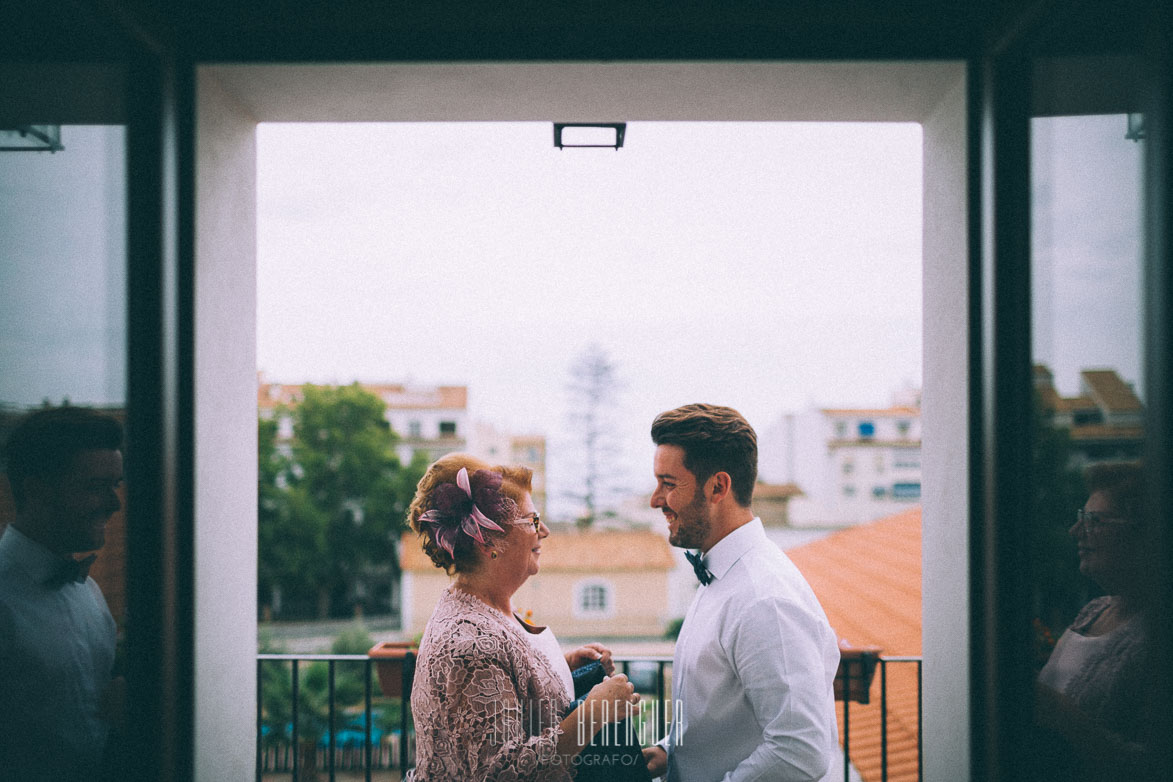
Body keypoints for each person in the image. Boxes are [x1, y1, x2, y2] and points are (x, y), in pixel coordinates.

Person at [405, 453, 648, 781]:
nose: (544, 531)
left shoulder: (488, 610)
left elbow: (508, 689)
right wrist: (594, 713)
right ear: (488, 539)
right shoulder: (470, 642)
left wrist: (561, 667)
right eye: (532, 521)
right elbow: (499, 772)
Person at [641, 403, 841, 782]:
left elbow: (801, 751)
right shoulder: (723, 575)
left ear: (718, 486)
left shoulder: (765, 600)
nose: (655, 500)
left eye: (668, 484)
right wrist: (670, 751)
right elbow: (722, 713)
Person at [0, 406, 124, 782]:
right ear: (36, 490)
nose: (115, 503)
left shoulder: (90, 593)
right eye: (93, 487)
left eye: (115, 484)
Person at [1034, 460, 1158, 780]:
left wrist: (1063, 716)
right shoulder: (1093, 611)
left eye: (1093, 520)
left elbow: (1152, 765)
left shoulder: (1160, 634)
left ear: (1142, 534)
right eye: (1080, 518)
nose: (1076, 531)